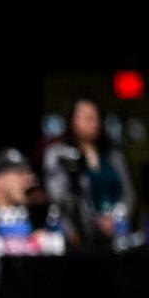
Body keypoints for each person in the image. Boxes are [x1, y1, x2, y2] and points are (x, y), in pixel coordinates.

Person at [42, 97, 135, 250]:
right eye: (86, 117)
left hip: (116, 233)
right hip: (77, 235)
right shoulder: (58, 153)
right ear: (72, 120)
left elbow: (129, 193)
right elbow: (57, 195)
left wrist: (116, 219)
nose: (93, 122)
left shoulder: (113, 154)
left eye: (96, 117)